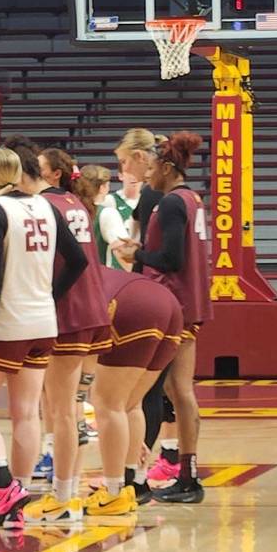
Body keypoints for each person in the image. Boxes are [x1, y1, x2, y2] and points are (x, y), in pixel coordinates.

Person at [0, 147, 87, 533]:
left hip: (6, 324)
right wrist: (49, 296)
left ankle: (3, 485)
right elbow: (78, 260)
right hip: (42, 323)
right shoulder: (46, 206)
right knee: (27, 414)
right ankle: (18, 499)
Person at [16, 143, 109, 523]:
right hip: (91, 305)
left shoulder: (46, 206)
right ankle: (64, 483)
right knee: (67, 407)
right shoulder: (75, 202)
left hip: (68, 311)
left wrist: (47, 298)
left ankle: (63, 495)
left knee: (61, 409)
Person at [118, 131, 212, 504]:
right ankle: (185, 474)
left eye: (153, 168)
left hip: (175, 305)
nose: (148, 176)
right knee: (179, 391)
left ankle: (176, 476)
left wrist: (137, 255)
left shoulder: (172, 203)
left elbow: (171, 259)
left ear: (168, 168)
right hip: (188, 302)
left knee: (169, 392)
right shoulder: (192, 198)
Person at [85, 265, 183, 513]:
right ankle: (132, 482)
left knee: (107, 403)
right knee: (131, 403)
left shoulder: (59, 279)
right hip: (168, 303)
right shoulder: (90, 267)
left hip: (132, 303)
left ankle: (114, 490)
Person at [114, 127, 179, 480]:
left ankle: (137, 472)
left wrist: (135, 253)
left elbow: (166, 256)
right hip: (170, 300)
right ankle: (168, 461)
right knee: (170, 391)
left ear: (141, 158)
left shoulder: (162, 197)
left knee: (148, 392)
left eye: (125, 163)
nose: (124, 171)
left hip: (158, 298)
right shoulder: (168, 197)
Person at [75, 165, 131, 269]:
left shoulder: (69, 210)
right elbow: (123, 253)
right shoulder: (107, 214)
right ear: (102, 187)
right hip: (98, 280)